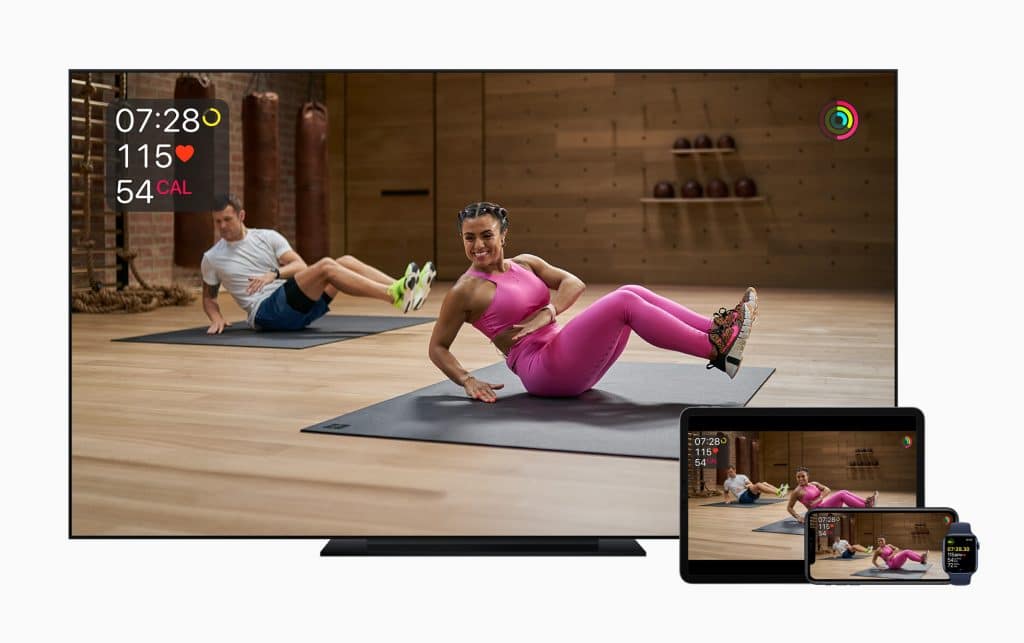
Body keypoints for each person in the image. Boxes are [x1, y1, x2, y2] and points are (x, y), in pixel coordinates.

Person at [427, 201, 758, 402]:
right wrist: (467, 379)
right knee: (624, 302)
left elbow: (574, 283)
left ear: (503, 235)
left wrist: (550, 311)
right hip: (543, 370)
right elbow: (438, 346)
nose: (478, 245)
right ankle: (716, 349)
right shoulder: (465, 290)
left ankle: (718, 329)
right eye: (469, 238)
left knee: (632, 289)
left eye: (487, 235)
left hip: (563, 354)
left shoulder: (525, 263)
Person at [200, 194, 435, 333]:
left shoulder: (267, 237)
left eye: (227, 220)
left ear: (241, 216)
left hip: (295, 306)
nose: (221, 226)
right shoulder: (212, 257)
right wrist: (216, 317)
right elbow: (209, 297)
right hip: (266, 313)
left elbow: (299, 266)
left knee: (345, 261)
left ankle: (405, 287)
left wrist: (273, 273)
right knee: (326, 266)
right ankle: (393, 295)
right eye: (217, 221)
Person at [787, 467, 878, 523]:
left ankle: (866, 502)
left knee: (843, 491)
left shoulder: (814, 484)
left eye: (803, 476)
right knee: (842, 494)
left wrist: (819, 498)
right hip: (818, 512)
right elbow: (789, 507)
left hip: (823, 506)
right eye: (798, 477)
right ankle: (865, 506)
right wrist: (798, 517)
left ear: (808, 476)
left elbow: (827, 490)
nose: (800, 479)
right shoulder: (797, 492)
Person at [722, 465, 789, 504]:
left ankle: (779, 491)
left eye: (731, 472)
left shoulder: (742, 476)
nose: (730, 474)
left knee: (764, 483)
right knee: (758, 485)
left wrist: (746, 486)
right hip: (742, 498)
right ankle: (779, 492)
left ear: (735, 470)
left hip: (748, 493)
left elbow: (751, 484)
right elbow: (726, 492)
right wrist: (727, 500)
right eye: (728, 472)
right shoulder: (727, 482)